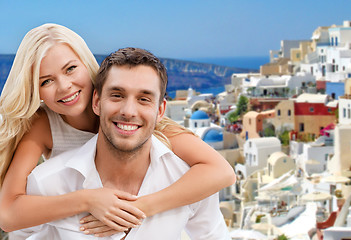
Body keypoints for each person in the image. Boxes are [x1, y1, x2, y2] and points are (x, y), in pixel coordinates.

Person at [0, 23, 235, 236]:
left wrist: (136, 209)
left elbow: (221, 171)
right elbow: (9, 214)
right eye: (46, 81)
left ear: (86, 64)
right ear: (35, 91)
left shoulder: (138, 121)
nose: (64, 86)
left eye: (70, 69)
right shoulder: (43, 124)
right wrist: (88, 200)